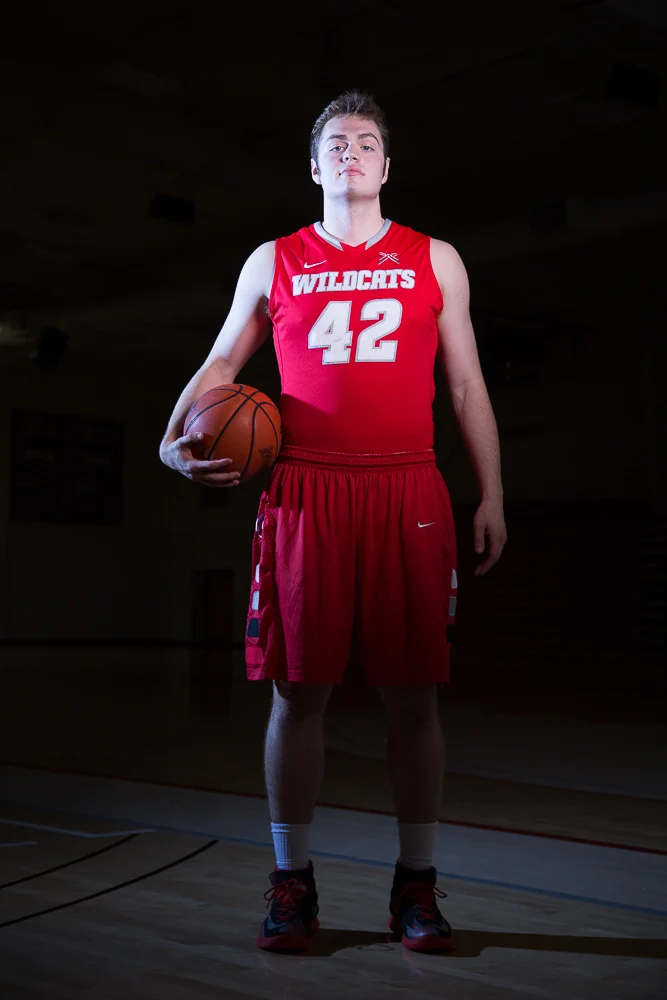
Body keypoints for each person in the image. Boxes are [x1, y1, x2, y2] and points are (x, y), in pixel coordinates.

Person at [159, 90, 507, 954]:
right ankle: (293, 882)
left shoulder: (435, 258)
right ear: (314, 168)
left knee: (413, 698)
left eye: (366, 142)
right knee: (296, 692)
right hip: (305, 491)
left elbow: (466, 385)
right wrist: (170, 440)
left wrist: (491, 493)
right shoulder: (272, 260)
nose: (351, 151)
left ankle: (414, 886)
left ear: (386, 167)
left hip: (407, 489)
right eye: (336, 144)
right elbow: (221, 360)